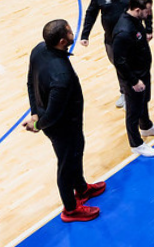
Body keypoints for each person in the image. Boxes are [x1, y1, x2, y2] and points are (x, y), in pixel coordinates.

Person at [23, 19, 106, 222]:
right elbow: (52, 114)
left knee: (75, 155)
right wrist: (37, 124)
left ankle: (82, 188)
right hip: (62, 126)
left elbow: (29, 81)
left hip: (62, 122)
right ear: (62, 41)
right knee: (67, 163)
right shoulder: (61, 75)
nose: (73, 32)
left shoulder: (39, 49)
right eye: (69, 32)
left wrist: (34, 112)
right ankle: (70, 209)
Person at [80, 0, 152, 109]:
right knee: (120, 66)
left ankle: (138, 93)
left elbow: (147, 8)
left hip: (135, 38)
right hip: (112, 39)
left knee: (137, 65)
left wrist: (149, 28)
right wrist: (85, 34)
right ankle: (125, 92)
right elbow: (91, 12)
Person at [112, 0, 154, 157]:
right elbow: (119, 61)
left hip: (143, 72)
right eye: (147, 10)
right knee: (133, 111)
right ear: (137, 9)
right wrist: (134, 81)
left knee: (144, 101)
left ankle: (146, 127)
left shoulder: (136, 20)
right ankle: (136, 143)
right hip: (133, 77)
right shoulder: (123, 31)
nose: (149, 13)